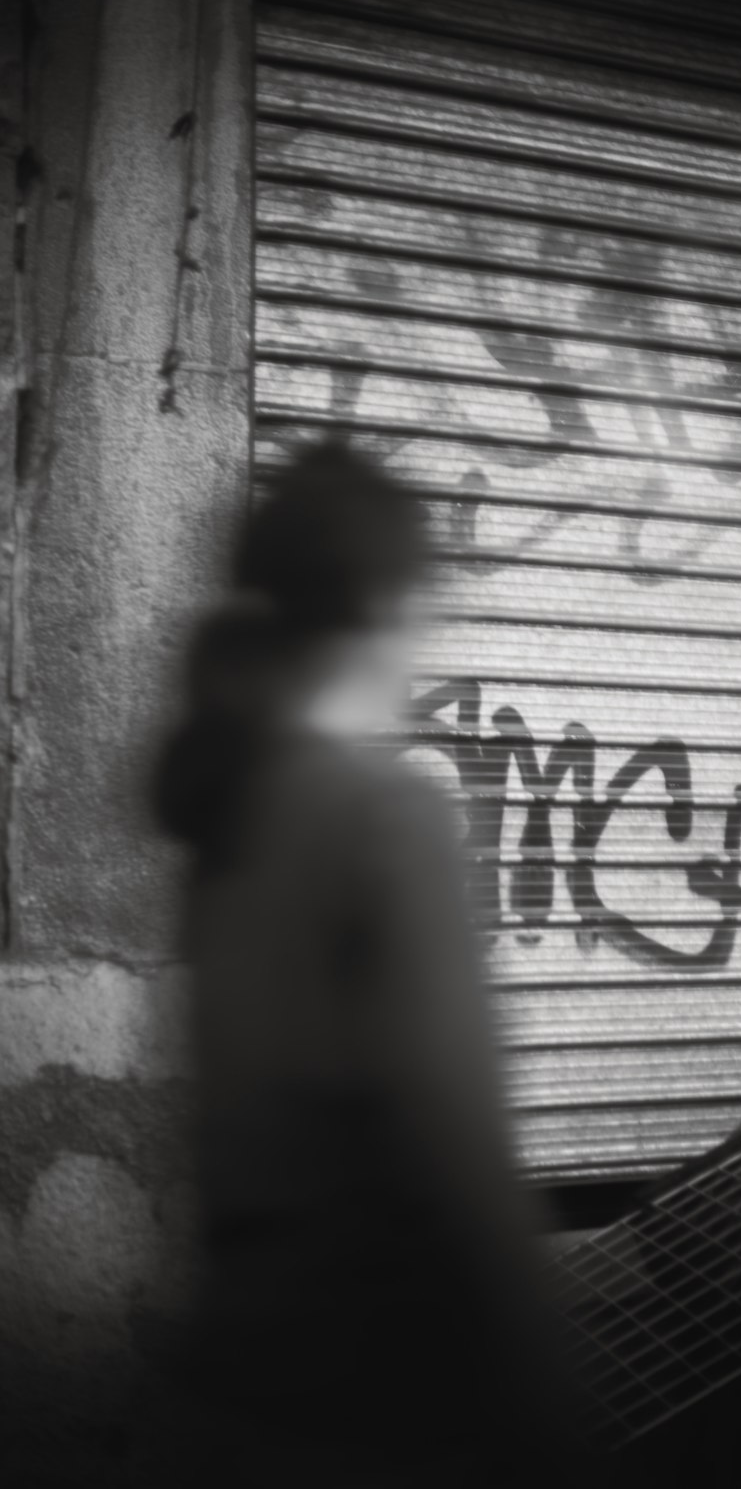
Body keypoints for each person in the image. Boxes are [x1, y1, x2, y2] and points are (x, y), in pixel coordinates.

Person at [154, 439, 596, 1487]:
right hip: (391, 1409)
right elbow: (460, 1165)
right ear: (392, 607)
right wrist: (563, 1425)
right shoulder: (380, 816)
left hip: (253, 1396)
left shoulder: (227, 826)